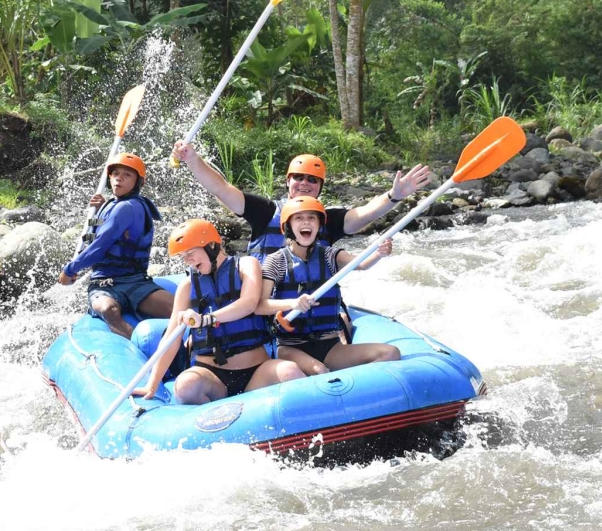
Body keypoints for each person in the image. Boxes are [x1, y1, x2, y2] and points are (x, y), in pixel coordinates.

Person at [135, 219, 305, 404]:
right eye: (184, 256)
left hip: (257, 372)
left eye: (191, 253)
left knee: (290, 371)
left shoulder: (246, 265)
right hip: (212, 377)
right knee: (186, 385)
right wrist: (152, 385)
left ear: (212, 246)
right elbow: (171, 338)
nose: (188, 260)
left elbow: (248, 303)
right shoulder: (187, 286)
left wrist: (206, 319)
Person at [171, 143, 433, 258]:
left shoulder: (329, 219)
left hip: (308, 304)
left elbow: (364, 214)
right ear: (288, 181)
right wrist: (193, 160)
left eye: (312, 179)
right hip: (267, 302)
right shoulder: (265, 211)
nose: (305, 183)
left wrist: (394, 196)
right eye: (299, 177)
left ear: (320, 187)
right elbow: (220, 188)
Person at [258, 197, 401, 376]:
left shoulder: (330, 256)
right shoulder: (275, 261)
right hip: (291, 346)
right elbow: (260, 306)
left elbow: (361, 263)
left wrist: (378, 254)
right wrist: (292, 304)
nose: (306, 222)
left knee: (390, 352)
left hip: (329, 344)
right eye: (299, 218)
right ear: (288, 226)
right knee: (319, 371)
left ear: (319, 225)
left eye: (312, 218)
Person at [58, 152, 173, 337]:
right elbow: (90, 238)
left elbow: (99, 247)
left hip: (134, 281)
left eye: (127, 175)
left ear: (138, 182)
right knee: (107, 308)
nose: (119, 178)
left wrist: (70, 269)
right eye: (115, 173)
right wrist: (99, 210)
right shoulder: (110, 204)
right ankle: (137, 350)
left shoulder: (127, 207)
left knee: (178, 308)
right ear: (109, 177)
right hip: (104, 284)